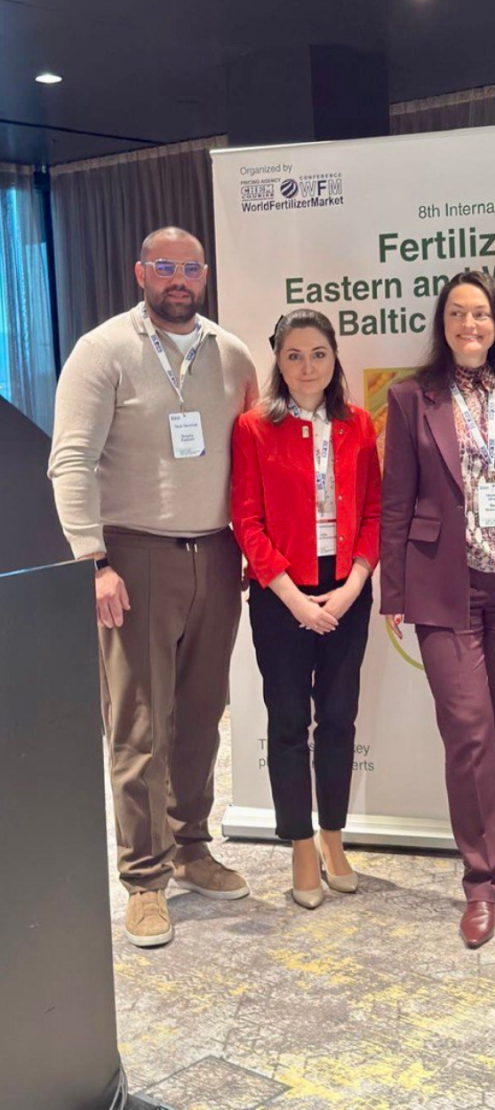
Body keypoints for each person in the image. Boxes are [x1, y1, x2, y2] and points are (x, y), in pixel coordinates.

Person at [48, 226, 258, 948]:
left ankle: (191, 848)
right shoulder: (102, 350)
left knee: (201, 715)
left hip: (218, 555)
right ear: (140, 272)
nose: (178, 279)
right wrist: (92, 559)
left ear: (205, 274)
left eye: (189, 268)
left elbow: (253, 456)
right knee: (139, 725)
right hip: (132, 558)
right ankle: (143, 879)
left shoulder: (232, 354)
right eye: (164, 267)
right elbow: (70, 460)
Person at [379, 272, 495, 949]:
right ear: (442, 324)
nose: (469, 324)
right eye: (457, 313)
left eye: (480, 313)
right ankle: (481, 881)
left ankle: (494, 855)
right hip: (444, 584)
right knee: (469, 728)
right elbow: (397, 496)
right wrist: (394, 590)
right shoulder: (410, 396)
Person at [231, 309, 380, 908]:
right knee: (289, 721)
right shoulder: (253, 428)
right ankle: (298, 842)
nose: (307, 367)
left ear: (334, 356)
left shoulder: (359, 424)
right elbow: (247, 520)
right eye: (294, 355)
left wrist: (352, 586)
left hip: (346, 592)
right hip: (280, 598)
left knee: (339, 717)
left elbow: (374, 512)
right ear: (278, 360)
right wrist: (293, 599)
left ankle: (332, 836)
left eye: (318, 353)